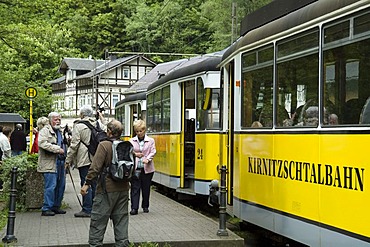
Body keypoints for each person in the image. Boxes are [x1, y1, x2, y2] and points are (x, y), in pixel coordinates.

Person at [80, 119, 130, 247]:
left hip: (106, 189)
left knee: (98, 220)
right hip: (123, 188)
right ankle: (122, 244)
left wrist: (87, 184)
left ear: (108, 132)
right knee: (121, 220)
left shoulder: (104, 145)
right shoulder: (126, 145)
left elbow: (95, 167)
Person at [65, 105, 107, 218]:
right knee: (95, 183)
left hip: (85, 158)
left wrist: (68, 160)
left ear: (82, 114)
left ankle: (87, 209)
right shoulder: (99, 124)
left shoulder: (79, 126)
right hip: (98, 158)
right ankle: (95, 208)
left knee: (85, 182)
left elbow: (74, 145)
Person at [37, 112, 67, 216]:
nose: (58, 121)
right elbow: (41, 143)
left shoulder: (60, 131)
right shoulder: (45, 131)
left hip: (60, 162)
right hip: (49, 163)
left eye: (59, 119)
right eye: (56, 119)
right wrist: (57, 149)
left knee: (61, 185)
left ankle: (56, 206)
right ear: (50, 120)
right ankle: (46, 208)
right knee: (51, 186)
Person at [129, 119, 156, 215]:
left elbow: (153, 151)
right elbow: (129, 152)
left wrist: (147, 159)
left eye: (141, 131)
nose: (139, 133)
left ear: (144, 130)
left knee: (146, 188)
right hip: (135, 168)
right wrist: (135, 154)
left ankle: (145, 206)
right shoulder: (131, 141)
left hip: (147, 169)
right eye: (137, 131)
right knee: (135, 188)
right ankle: (134, 208)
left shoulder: (150, 141)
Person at [0, 126, 12, 191]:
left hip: (3, 157)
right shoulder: (4, 139)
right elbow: (6, 150)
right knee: (4, 172)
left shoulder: (2, 137)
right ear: (9, 132)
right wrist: (10, 158)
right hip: (4, 158)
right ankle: (3, 187)